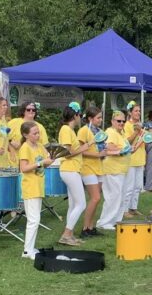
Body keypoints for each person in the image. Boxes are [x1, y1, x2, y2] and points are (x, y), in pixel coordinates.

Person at [55, 104, 89, 246]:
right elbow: (65, 153)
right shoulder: (65, 130)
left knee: (73, 204)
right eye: (80, 116)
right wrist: (82, 148)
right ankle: (66, 234)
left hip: (72, 170)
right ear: (75, 115)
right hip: (69, 170)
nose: (81, 119)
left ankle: (70, 235)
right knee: (81, 204)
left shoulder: (69, 130)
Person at [17, 121, 50, 259]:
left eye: (38, 132)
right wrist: (41, 162)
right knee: (33, 220)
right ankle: (27, 251)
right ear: (25, 135)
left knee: (35, 219)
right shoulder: (25, 148)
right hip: (30, 186)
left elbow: (46, 160)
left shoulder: (40, 146)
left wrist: (49, 161)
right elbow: (24, 168)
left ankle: (30, 248)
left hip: (38, 185)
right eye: (34, 133)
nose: (38, 135)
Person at [98, 111, 131, 231]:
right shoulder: (110, 132)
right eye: (118, 121)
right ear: (112, 121)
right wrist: (121, 150)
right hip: (112, 169)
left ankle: (116, 220)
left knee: (120, 196)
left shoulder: (121, 133)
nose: (121, 123)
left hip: (122, 169)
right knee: (113, 196)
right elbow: (109, 147)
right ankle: (105, 221)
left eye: (123, 121)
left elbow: (122, 148)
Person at [77, 106, 106, 237]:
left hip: (99, 167)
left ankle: (91, 227)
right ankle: (84, 229)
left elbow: (103, 148)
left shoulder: (100, 131)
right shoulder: (83, 131)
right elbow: (80, 150)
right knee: (95, 198)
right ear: (90, 118)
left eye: (101, 117)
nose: (100, 120)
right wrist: (98, 155)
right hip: (87, 167)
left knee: (96, 199)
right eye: (98, 117)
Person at [121, 101, 146, 216]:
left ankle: (133, 208)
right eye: (136, 111)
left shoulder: (141, 125)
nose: (138, 113)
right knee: (129, 186)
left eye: (139, 111)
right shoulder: (126, 125)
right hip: (130, 159)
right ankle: (125, 209)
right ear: (130, 113)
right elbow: (127, 141)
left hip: (140, 158)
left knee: (138, 186)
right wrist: (137, 132)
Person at [7, 102, 46, 167]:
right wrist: (11, 144)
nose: (31, 111)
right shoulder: (14, 122)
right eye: (28, 109)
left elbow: (44, 145)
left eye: (33, 110)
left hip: (32, 162)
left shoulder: (40, 127)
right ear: (23, 111)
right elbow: (2, 136)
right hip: (13, 161)